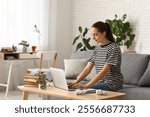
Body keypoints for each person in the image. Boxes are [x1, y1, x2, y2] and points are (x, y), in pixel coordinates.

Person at [69, 21, 124, 91]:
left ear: (104, 34)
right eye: (92, 35)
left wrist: (86, 86)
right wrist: (75, 82)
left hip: (112, 84)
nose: (93, 38)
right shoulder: (97, 48)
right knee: (74, 88)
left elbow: (104, 72)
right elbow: (87, 69)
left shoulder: (114, 48)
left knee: (81, 90)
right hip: (101, 82)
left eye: (95, 35)